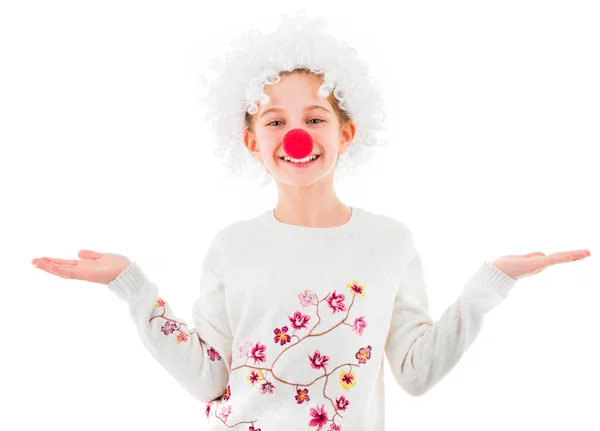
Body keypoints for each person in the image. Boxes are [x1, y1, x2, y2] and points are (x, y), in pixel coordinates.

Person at [30, 10, 591, 431]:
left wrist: (491, 283)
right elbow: (208, 378)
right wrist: (132, 286)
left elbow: (417, 374)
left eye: (314, 117)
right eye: (275, 121)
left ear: (345, 133)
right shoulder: (232, 246)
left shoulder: (388, 242)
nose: (295, 136)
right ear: (252, 143)